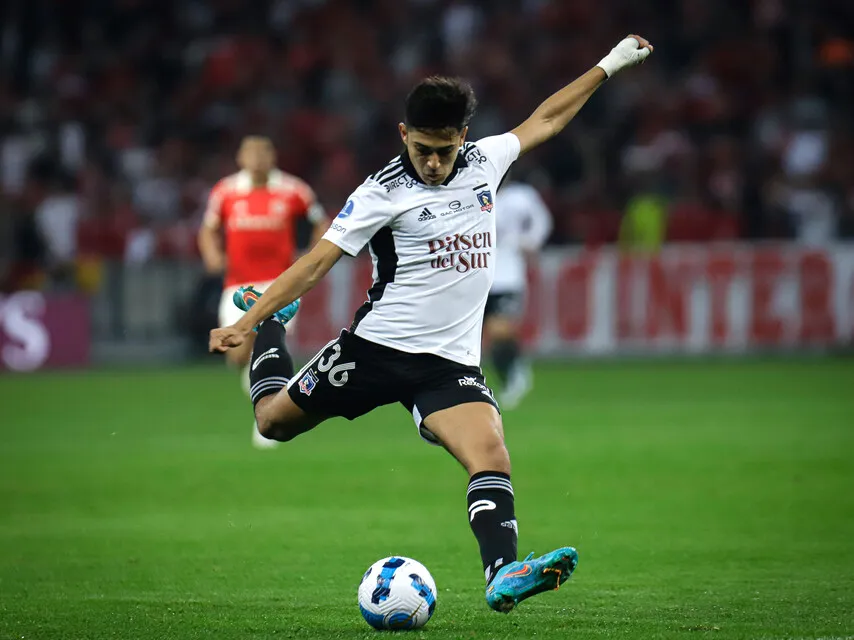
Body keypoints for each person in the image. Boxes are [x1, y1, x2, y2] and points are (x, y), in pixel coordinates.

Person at [210, 36, 653, 611]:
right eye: (423, 149)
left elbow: (547, 117)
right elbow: (318, 260)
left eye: (445, 150)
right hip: (373, 352)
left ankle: (503, 571)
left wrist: (609, 64)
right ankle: (277, 330)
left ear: (462, 137)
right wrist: (257, 317)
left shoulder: (485, 162)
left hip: (447, 364)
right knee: (272, 422)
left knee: (491, 453)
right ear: (403, 135)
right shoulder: (379, 193)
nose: (435, 162)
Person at [198, 136, 328, 448]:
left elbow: (322, 223)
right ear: (240, 157)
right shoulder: (226, 191)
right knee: (238, 354)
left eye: (263, 152)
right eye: (251, 152)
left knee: (267, 342)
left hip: (279, 284)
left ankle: (269, 418)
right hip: (238, 285)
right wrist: (211, 255)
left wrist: (311, 258)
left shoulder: (293, 189)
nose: (257, 158)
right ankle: (275, 400)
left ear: (273, 156)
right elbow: (207, 228)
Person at [485, 177, 553, 409]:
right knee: (491, 338)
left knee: (500, 330)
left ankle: (516, 376)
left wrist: (530, 242)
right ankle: (511, 376)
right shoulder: (470, 193)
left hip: (508, 276)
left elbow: (542, 220)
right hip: (478, 277)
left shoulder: (520, 196)